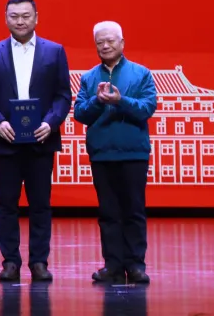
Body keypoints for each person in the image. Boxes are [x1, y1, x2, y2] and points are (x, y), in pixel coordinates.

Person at [0, 0, 72, 282]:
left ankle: (39, 262)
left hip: (41, 141)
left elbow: (63, 95)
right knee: (5, 204)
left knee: (40, 204)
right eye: (14, 16)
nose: (20, 21)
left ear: (36, 18)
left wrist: (50, 123)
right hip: (5, 141)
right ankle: (10, 261)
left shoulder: (54, 51)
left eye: (25, 15)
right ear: (6, 18)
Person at [73, 20, 157, 285]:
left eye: (110, 41)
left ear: (122, 43)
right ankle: (112, 266)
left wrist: (121, 100)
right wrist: (98, 101)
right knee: (108, 213)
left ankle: (136, 266)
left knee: (134, 211)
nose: (105, 46)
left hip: (133, 154)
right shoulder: (89, 78)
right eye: (100, 42)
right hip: (102, 154)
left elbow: (147, 108)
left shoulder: (141, 74)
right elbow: (80, 114)